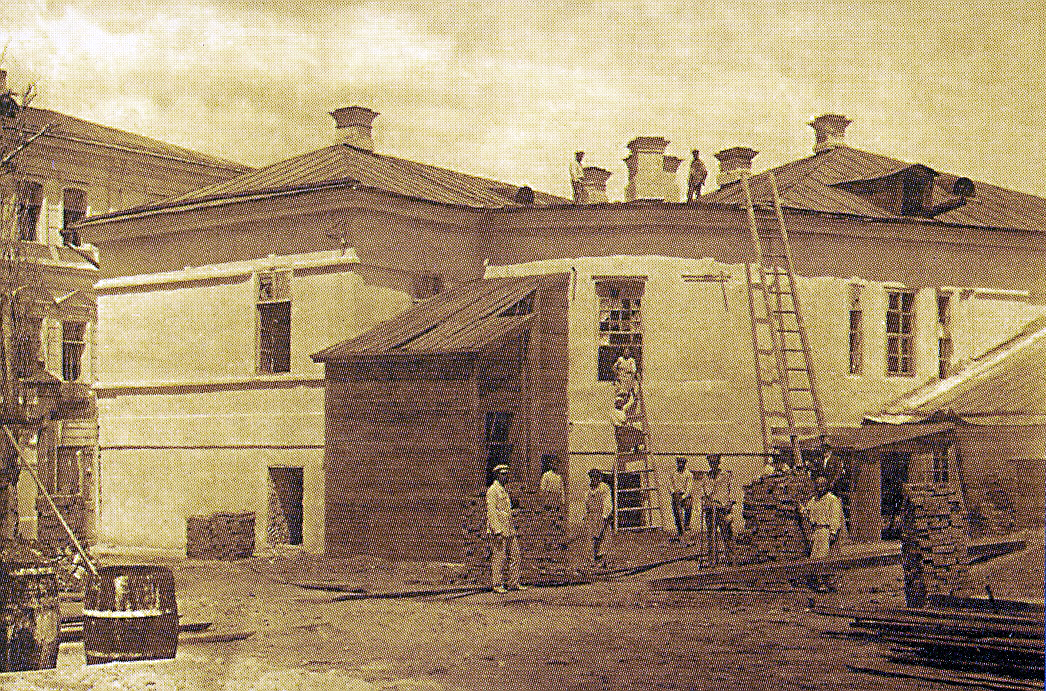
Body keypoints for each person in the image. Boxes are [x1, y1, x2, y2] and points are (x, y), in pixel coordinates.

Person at [801, 474, 844, 592]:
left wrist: (833, 532)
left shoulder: (832, 499)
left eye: (822, 486)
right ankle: (819, 582)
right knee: (815, 557)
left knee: (823, 557)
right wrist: (802, 510)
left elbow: (835, 516)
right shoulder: (814, 500)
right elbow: (807, 512)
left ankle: (827, 583)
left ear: (826, 486)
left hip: (826, 530)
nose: (820, 489)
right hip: (816, 530)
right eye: (817, 486)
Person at [486, 464, 525, 593]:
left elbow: (506, 510)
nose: (505, 476)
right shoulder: (493, 490)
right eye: (502, 474)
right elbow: (491, 512)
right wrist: (497, 531)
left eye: (506, 474)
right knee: (499, 557)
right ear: (497, 475)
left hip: (508, 528)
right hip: (499, 529)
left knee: (515, 555)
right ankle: (497, 584)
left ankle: (513, 582)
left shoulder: (504, 490)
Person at [700, 454, 733, 565]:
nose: (713, 465)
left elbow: (730, 492)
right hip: (711, 509)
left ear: (718, 463)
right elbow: (705, 493)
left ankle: (730, 558)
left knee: (727, 534)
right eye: (711, 463)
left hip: (723, 509)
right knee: (711, 535)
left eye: (715, 463)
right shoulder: (706, 477)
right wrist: (706, 502)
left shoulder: (726, 476)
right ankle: (713, 559)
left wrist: (728, 505)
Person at [585, 469, 614, 566]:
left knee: (603, 537)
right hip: (591, 516)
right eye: (592, 478)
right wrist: (586, 515)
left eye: (596, 478)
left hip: (601, 515)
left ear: (600, 478)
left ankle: (604, 560)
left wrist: (605, 515)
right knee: (591, 538)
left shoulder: (604, 488)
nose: (594, 480)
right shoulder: (588, 489)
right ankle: (592, 560)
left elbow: (607, 502)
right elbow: (586, 503)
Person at [669, 456, 694, 542]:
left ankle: (686, 527)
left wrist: (683, 497)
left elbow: (689, 488)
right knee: (677, 514)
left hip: (685, 495)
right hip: (676, 495)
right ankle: (680, 533)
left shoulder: (688, 474)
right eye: (679, 463)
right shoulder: (673, 473)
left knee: (688, 507)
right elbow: (670, 484)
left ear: (684, 464)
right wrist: (673, 493)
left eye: (682, 463)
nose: (680, 465)